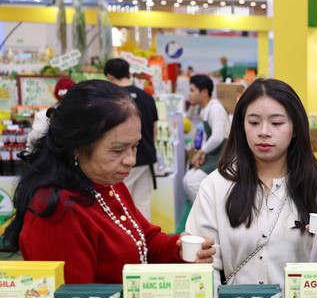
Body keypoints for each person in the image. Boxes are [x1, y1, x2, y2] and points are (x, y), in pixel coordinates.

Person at [2, 80, 215, 284]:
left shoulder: (105, 182)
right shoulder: (56, 210)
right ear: (77, 145)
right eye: (117, 150)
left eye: (135, 146)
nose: (131, 160)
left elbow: (143, 238)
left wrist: (175, 248)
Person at [185, 79, 317, 286]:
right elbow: (206, 263)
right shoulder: (216, 185)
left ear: (295, 128)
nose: (264, 132)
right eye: (253, 122)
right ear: (242, 126)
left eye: (277, 123)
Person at [103, 58, 158, 221]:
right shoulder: (148, 98)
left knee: (119, 204)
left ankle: (128, 244)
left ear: (110, 77)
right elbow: (155, 130)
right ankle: (146, 244)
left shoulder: (111, 99)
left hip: (122, 160)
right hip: (147, 158)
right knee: (142, 205)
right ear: (129, 73)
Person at [184, 75, 230, 201]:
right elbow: (206, 136)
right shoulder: (205, 109)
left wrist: (201, 152)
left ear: (204, 92)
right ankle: (201, 214)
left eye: (192, 90)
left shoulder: (216, 109)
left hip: (222, 156)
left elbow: (217, 137)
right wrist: (203, 155)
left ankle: (209, 214)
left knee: (192, 183)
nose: (189, 94)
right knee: (187, 179)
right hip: (212, 154)